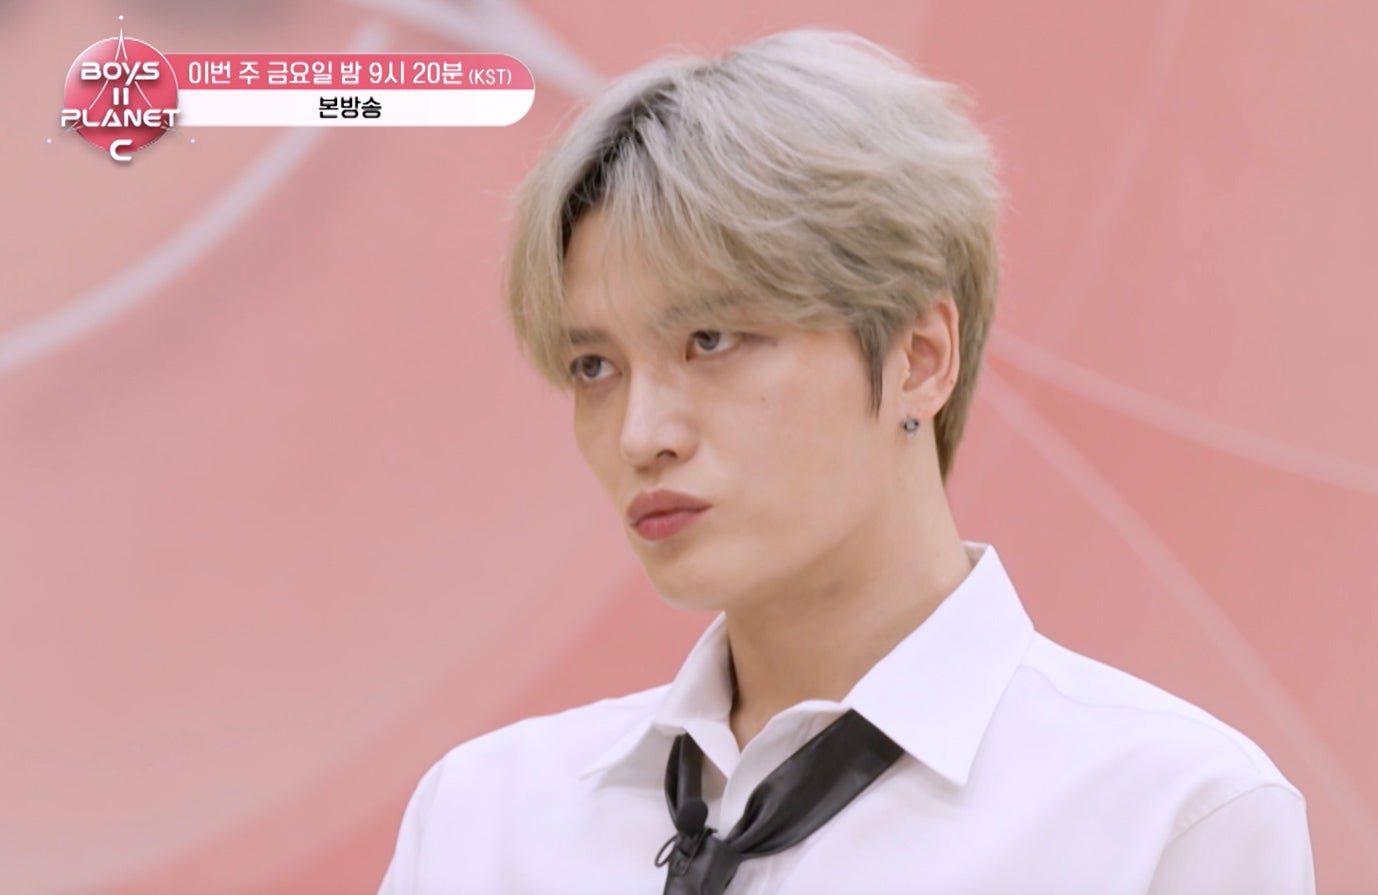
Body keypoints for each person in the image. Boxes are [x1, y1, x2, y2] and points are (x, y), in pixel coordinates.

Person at [377, 28, 1315, 895]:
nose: (641, 433)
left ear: (920, 358)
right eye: (594, 366)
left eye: (711, 340)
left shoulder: (1169, 815)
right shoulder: (482, 819)